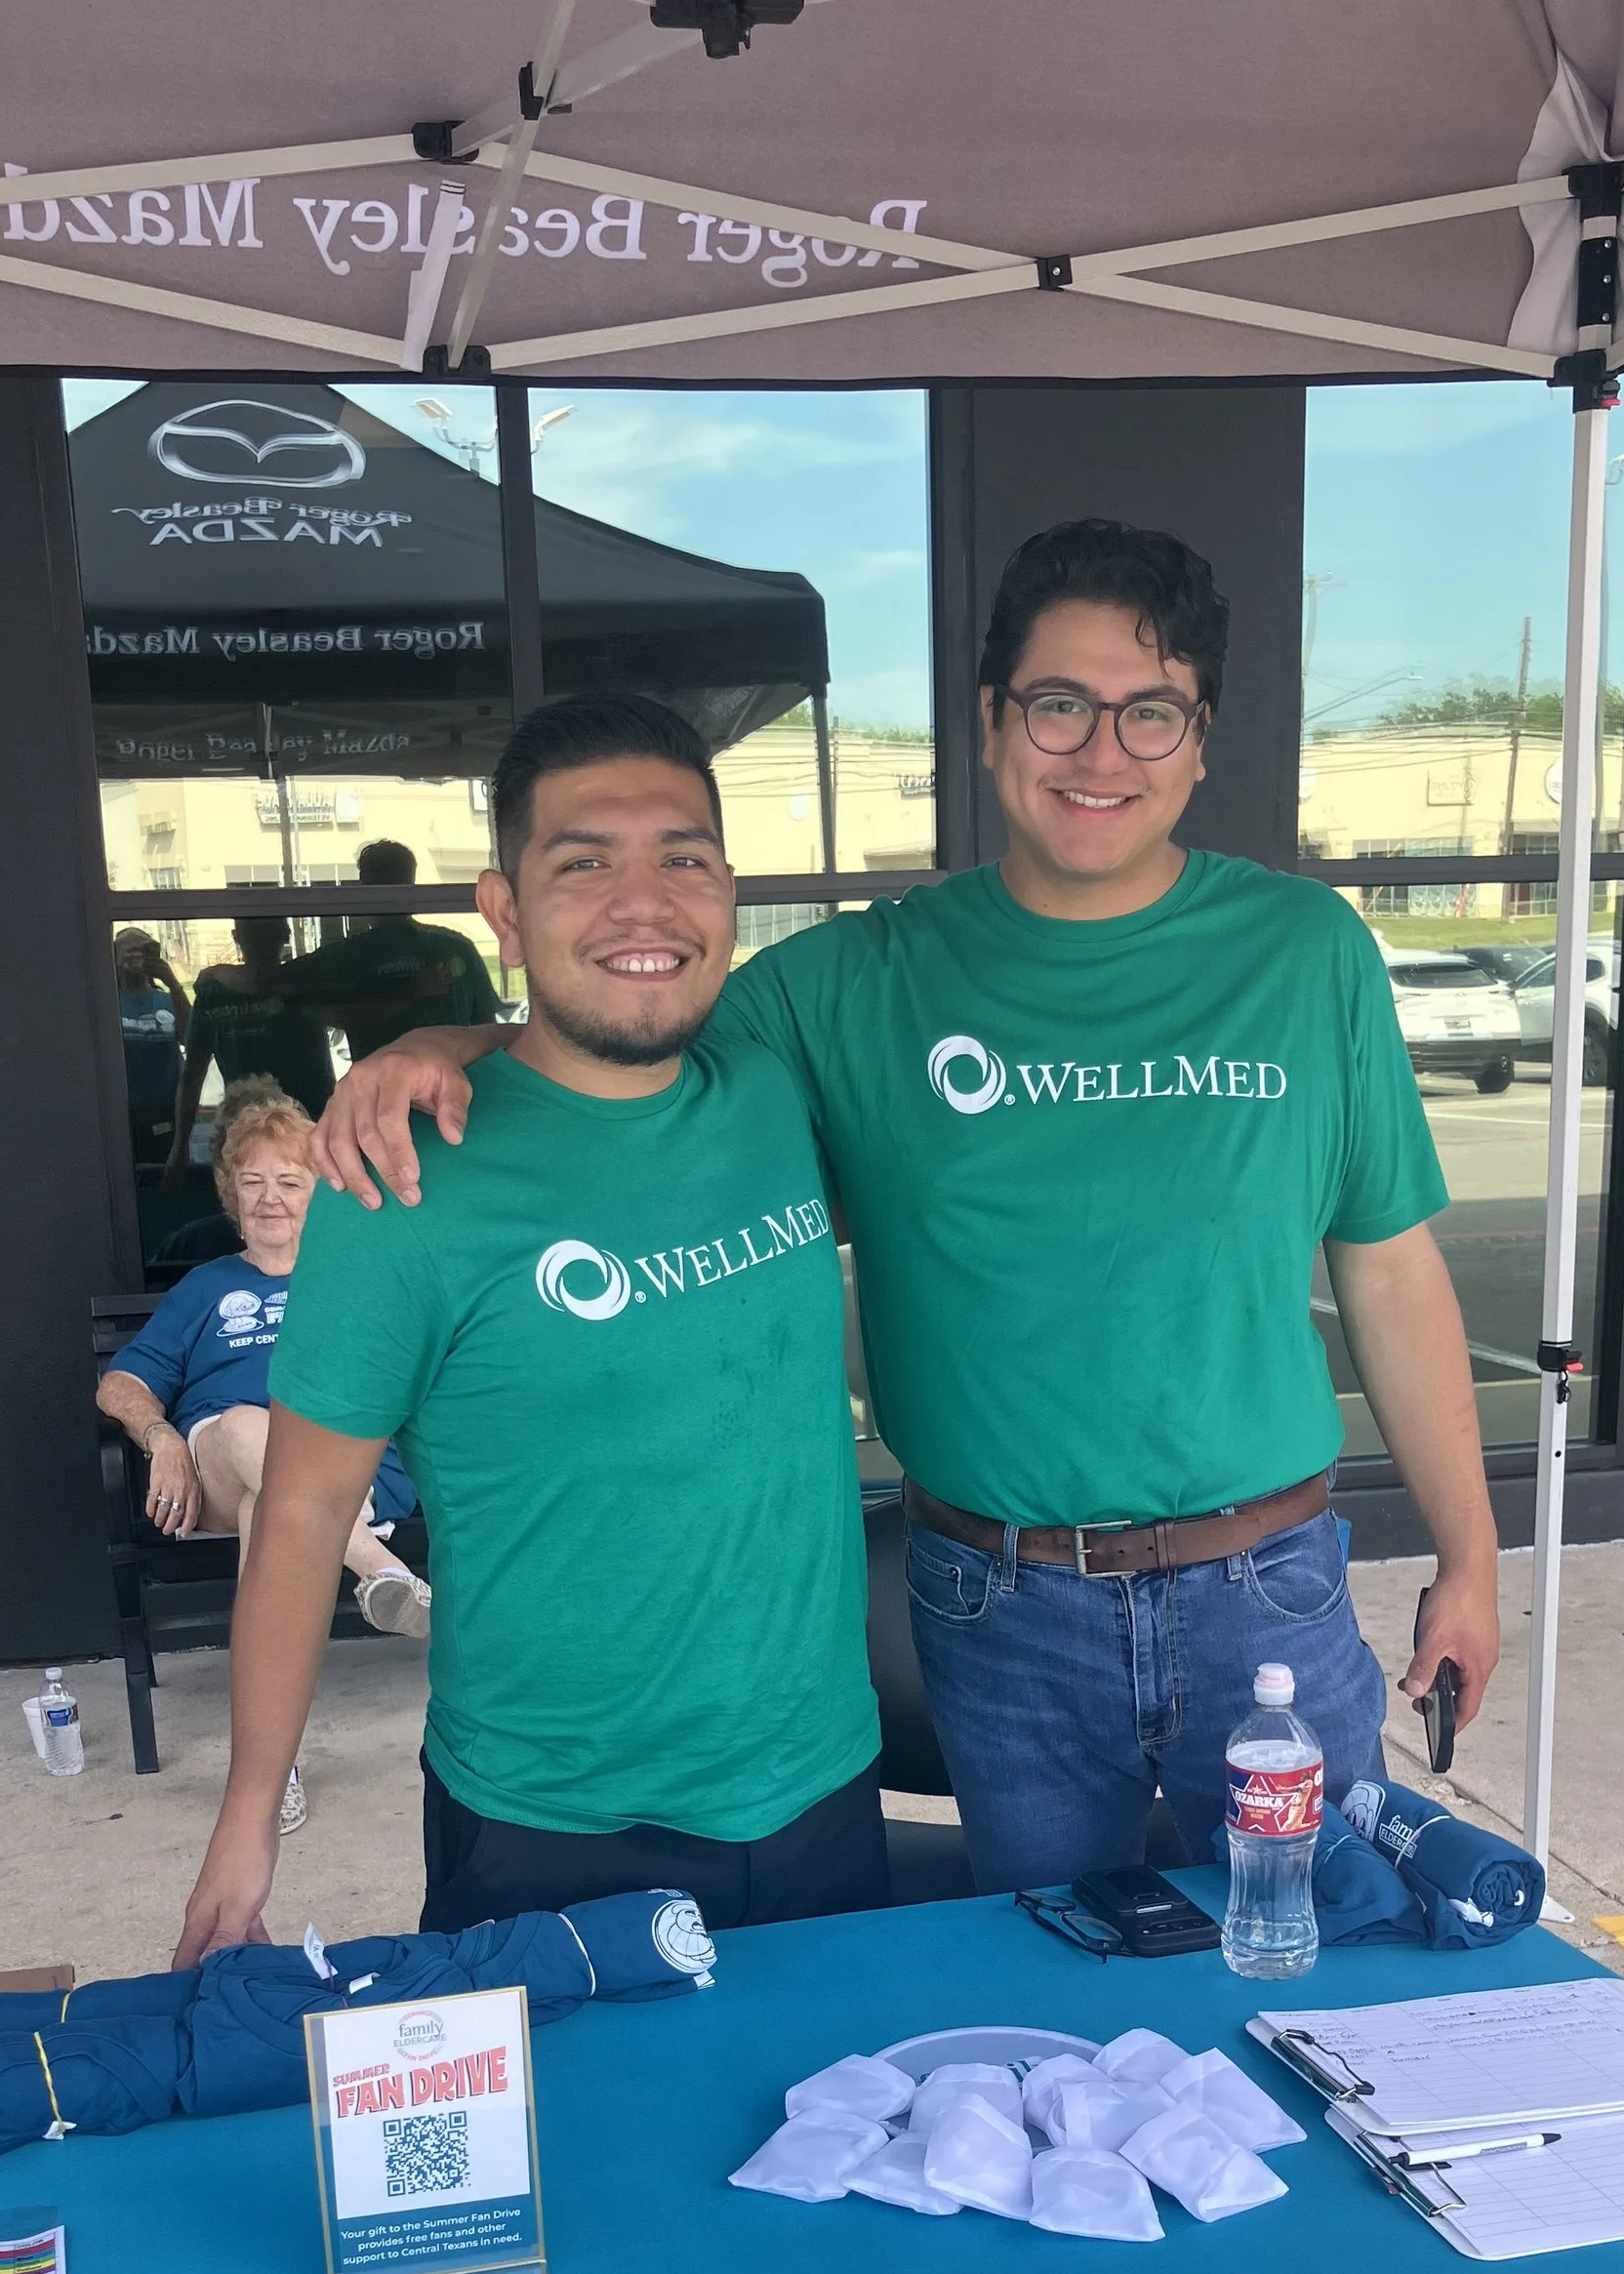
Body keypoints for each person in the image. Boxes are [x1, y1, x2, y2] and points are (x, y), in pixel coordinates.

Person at [314, 521, 1502, 1893]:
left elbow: (1390, 1269)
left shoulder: (1308, 955)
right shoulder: (852, 986)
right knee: (1058, 2023)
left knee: (1319, 1973)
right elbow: (626, 1017)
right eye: (1061, 705)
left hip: (1270, 1597)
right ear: (994, 727)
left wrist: (1470, 1558)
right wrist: (442, 1046)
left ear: (1200, 742)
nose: (1101, 752)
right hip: (1000, 1614)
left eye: (1150, 712)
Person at [170, 696, 884, 1962]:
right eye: (583, 864)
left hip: (820, 1784)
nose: (643, 903)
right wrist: (245, 1821)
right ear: (503, 909)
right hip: (554, 1825)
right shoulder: (400, 1179)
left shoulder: (776, 1087)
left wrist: (441, 1034)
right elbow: (299, 1516)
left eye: (684, 859)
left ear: (728, 890)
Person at [100, 1091, 427, 1839]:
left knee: (268, 1513)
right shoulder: (206, 1288)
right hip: (221, 1456)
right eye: (253, 1181)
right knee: (253, 1428)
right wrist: (164, 1439)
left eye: (290, 1180)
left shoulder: (358, 1279)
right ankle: (386, 1574)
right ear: (231, 1194)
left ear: (321, 1191)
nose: (270, 1198)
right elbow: (121, 1382)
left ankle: (272, 1768)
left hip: (344, 1479)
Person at [278, 837, 504, 1061]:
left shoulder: (347, 956)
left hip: (390, 1092)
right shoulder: (455, 947)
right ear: (412, 883)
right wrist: (411, 991)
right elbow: (489, 1034)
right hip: (446, 1091)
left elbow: (277, 983)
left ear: (364, 889)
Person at [163, 916, 337, 1184]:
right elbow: (192, 1074)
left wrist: (180, 1147)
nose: (260, 941)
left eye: (264, 931)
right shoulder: (215, 994)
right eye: (255, 932)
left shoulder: (304, 983)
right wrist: (179, 1147)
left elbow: (192, 1074)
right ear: (287, 934)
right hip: (255, 1133)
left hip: (306, 1131)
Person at [114, 927, 191, 1174]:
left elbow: (192, 1037)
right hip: (122, 1116)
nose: (135, 956)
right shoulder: (108, 1000)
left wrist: (173, 984)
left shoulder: (166, 1000)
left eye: (142, 950)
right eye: (127, 950)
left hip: (166, 1115)